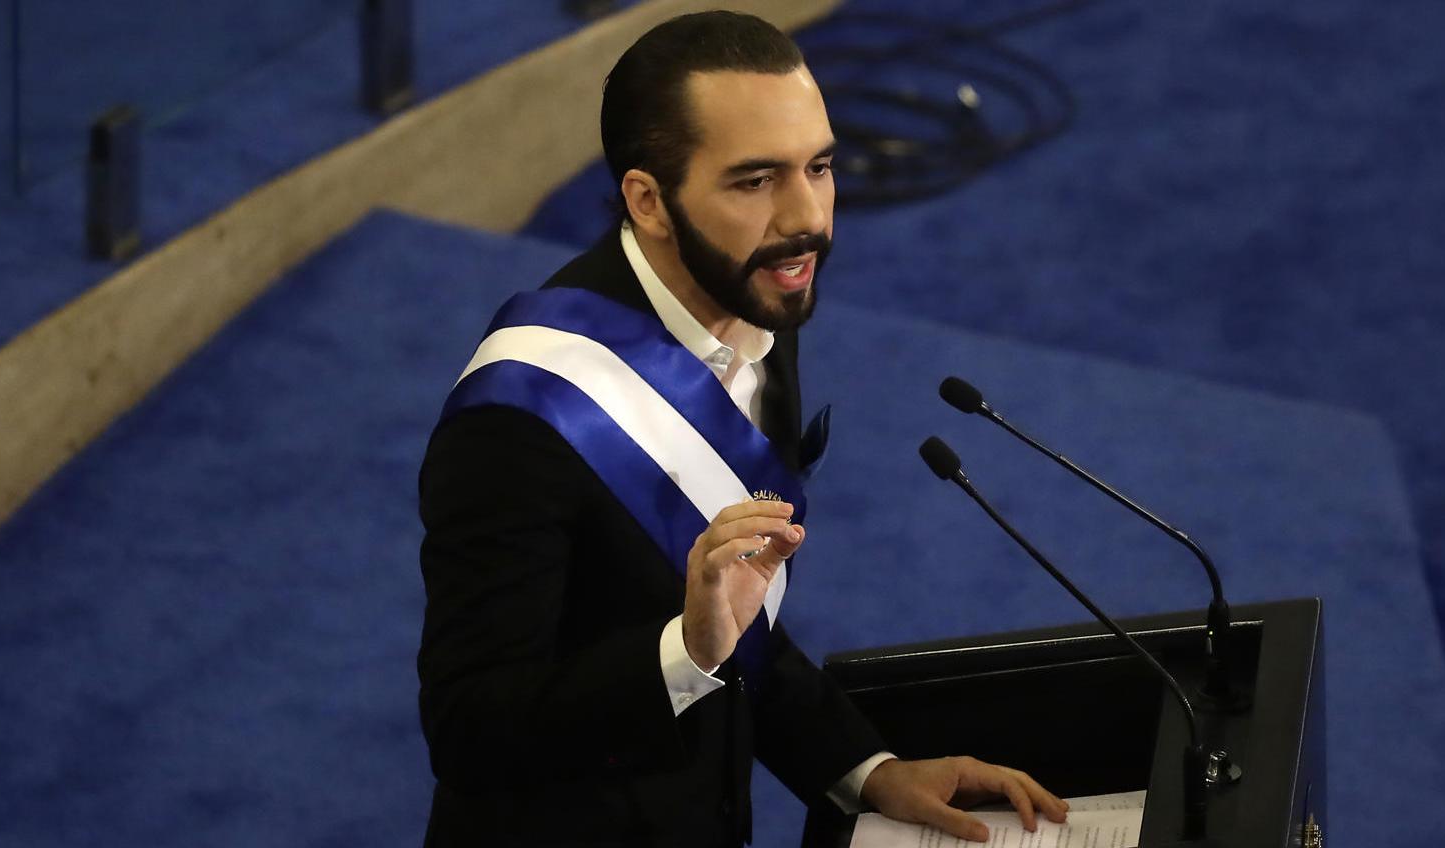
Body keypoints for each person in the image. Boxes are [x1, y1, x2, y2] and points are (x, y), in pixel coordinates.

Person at [415, 11, 1068, 846]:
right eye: (755, 181)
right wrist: (683, 653)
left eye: (819, 167)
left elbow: (740, 623)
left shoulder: (757, 304)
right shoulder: (521, 419)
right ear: (649, 201)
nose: (808, 219)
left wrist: (868, 770)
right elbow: (470, 733)